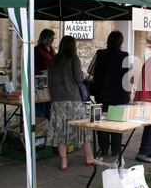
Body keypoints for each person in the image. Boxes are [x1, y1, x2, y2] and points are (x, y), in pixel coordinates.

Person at [47, 36, 95, 171]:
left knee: (60, 130)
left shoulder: (53, 60)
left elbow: (49, 81)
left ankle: (63, 162)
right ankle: (89, 158)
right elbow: (79, 78)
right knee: (82, 128)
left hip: (57, 100)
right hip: (73, 99)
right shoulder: (73, 59)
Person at [93, 30, 132, 156]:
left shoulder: (100, 53)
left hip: (102, 93)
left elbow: (90, 70)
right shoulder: (125, 55)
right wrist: (129, 92)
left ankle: (103, 148)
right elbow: (129, 77)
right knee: (116, 122)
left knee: (102, 122)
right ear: (121, 42)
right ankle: (115, 149)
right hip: (119, 94)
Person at [34, 28, 56, 120]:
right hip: (41, 80)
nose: (52, 40)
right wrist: (40, 75)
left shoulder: (52, 49)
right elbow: (33, 65)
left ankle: (48, 127)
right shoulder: (37, 50)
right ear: (45, 38)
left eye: (53, 38)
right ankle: (40, 126)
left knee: (49, 106)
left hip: (52, 80)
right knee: (41, 105)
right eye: (50, 38)